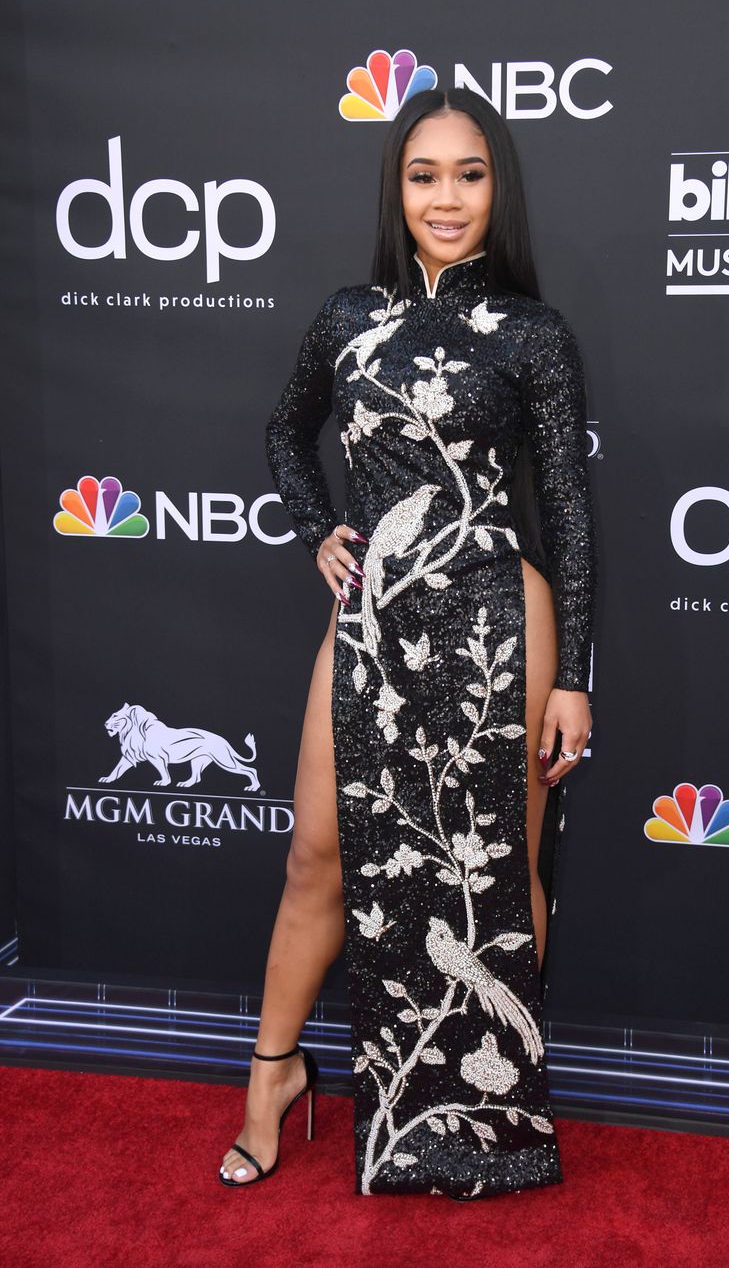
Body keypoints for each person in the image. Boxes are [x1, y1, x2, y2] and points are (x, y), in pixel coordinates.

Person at [220, 86, 596, 1200]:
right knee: (317, 856)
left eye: (469, 174)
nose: (446, 197)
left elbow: (568, 510)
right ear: (396, 186)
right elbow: (285, 429)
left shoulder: (533, 333)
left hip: (499, 619)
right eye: (423, 173)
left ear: (497, 187)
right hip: (374, 619)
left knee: (497, 874)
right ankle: (273, 1079)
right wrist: (316, 528)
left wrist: (573, 678)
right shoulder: (349, 318)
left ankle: (490, 1111)